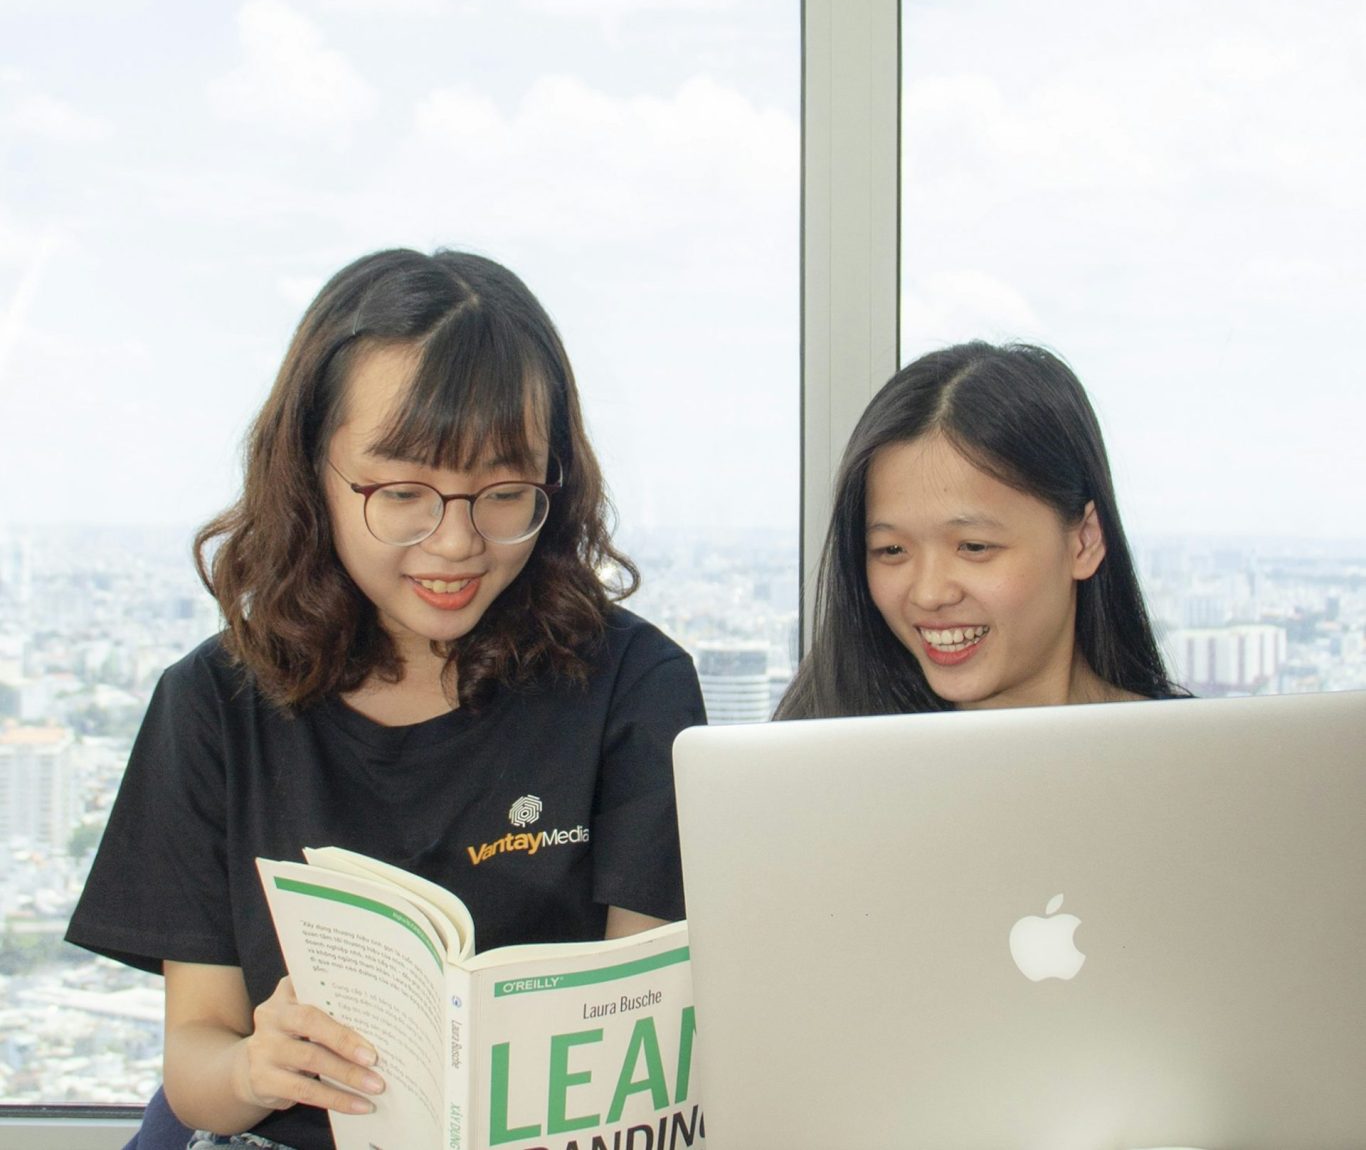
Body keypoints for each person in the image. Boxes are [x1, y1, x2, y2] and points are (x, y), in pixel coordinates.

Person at [66, 248, 706, 1150]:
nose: (456, 542)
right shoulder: (212, 705)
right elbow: (196, 1066)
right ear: (309, 472)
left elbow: (643, 1034)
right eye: (403, 491)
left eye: (505, 491)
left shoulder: (633, 689)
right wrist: (255, 1065)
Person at [777, 340, 1185, 719]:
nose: (929, 594)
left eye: (973, 547)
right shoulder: (813, 760)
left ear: (1084, 541)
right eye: (892, 550)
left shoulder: (1199, 762)